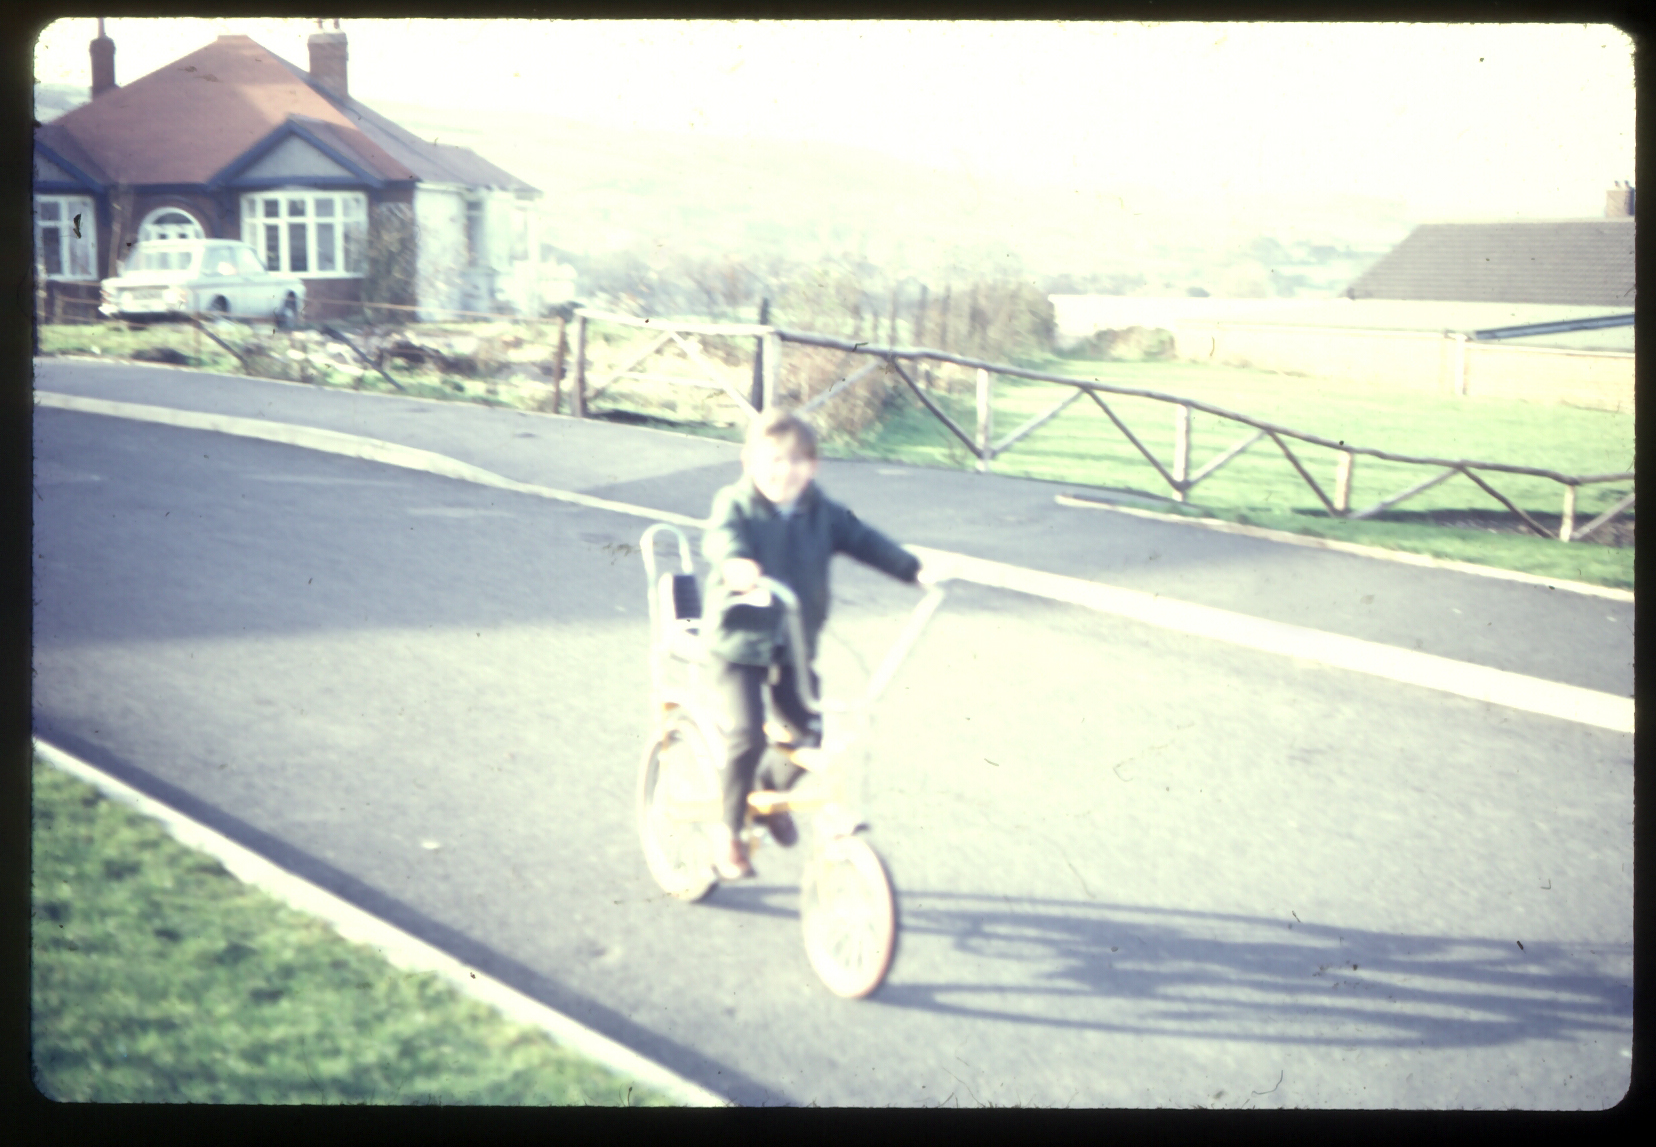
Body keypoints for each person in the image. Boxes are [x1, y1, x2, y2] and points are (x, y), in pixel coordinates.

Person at [701, 408, 930, 879]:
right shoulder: (736, 503)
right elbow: (720, 537)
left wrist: (912, 568)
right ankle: (726, 832)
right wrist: (736, 564)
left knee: (810, 732)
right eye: (773, 461)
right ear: (749, 462)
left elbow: (864, 539)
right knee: (745, 732)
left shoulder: (822, 512)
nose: (784, 471)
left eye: (796, 461)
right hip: (738, 642)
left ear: (813, 466)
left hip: (793, 644)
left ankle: (768, 793)